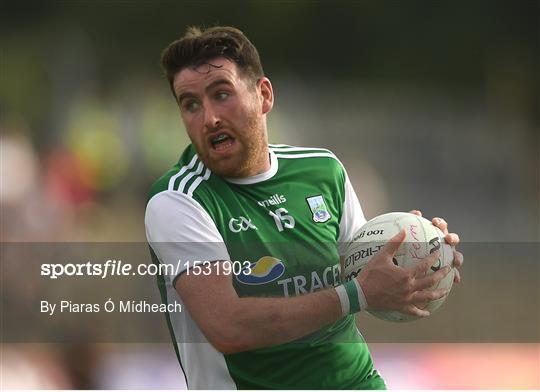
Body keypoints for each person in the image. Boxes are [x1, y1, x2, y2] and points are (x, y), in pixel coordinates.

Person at [145, 26, 463, 389]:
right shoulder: (177, 200)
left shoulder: (323, 170)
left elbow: (362, 275)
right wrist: (357, 293)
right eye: (191, 104)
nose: (209, 118)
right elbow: (229, 326)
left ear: (263, 95)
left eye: (221, 94)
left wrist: (419, 257)